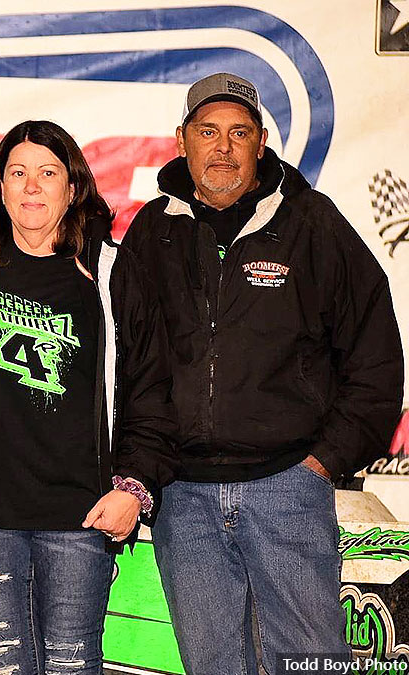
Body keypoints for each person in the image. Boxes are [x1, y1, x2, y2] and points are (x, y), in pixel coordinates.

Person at [122, 72, 403, 673]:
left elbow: (375, 353)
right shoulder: (151, 233)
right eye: (208, 131)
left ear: (262, 142)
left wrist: (322, 463)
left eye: (238, 133)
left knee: (308, 664)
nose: (222, 147)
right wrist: (142, 470)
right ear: (181, 140)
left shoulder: (313, 224)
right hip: (184, 498)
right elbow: (132, 370)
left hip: (288, 487)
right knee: (213, 667)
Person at [0, 120, 176, 675]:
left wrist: (134, 488)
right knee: (6, 667)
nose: (32, 187)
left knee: (71, 666)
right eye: (18, 173)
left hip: (80, 514)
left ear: (74, 188)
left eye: (48, 173)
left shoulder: (110, 271)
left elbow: (150, 388)